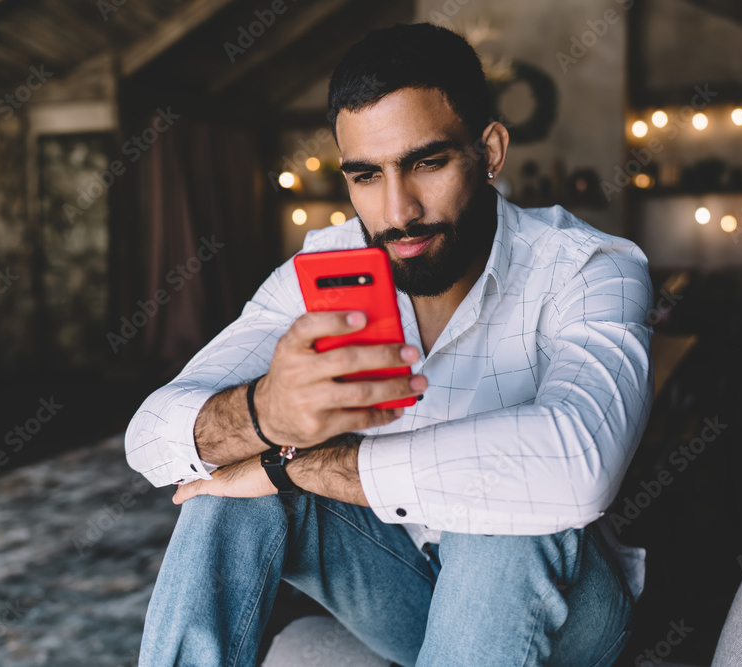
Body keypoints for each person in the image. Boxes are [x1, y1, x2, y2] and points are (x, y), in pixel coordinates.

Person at [126, 22, 653, 667]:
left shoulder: (589, 267)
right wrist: (267, 415)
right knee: (219, 498)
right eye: (366, 176)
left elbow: (580, 463)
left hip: (575, 617)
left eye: (426, 163)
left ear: (489, 151)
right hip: (406, 590)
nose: (397, 210)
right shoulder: (323, 268)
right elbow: (150, 438)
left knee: (499, 519)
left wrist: (291, 463)